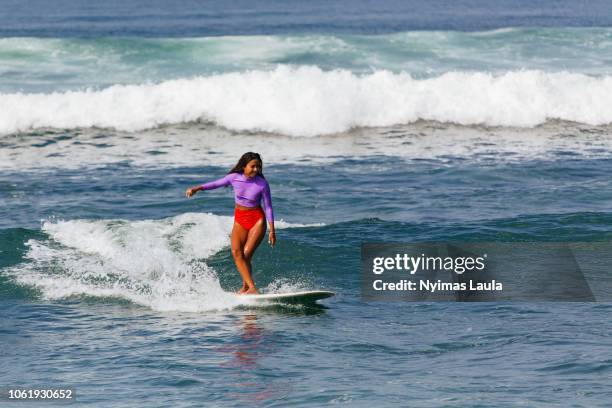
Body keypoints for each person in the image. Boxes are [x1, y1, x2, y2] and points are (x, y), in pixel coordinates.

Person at [185, 152, 276, 294]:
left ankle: (252, 288)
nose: (256, 170)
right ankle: (246, 287)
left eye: (258, 167)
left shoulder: (262, 183)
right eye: (253, 166)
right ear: (244, 166)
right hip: (239, 219)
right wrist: (197, 188)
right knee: (236, 253)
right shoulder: (234, 178)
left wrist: (272, 230)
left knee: (246, 255)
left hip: (256, 220)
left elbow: (268, 206)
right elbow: (215, 184)